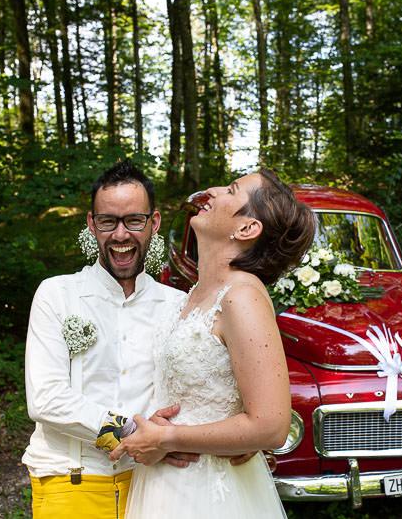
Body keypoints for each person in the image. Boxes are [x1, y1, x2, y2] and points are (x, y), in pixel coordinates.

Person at [111, 168, 317, 518]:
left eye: (231, 190)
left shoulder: (242, 297)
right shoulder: (194, 295)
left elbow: (271, 425)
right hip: (165, 487)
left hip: (209, 492)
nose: (213, 190)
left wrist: (167, 439)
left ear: (247, 228)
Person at [22, 161, 195, 518]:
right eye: (107, 221)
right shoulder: (57, 294)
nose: (120, 235)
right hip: (70, 480)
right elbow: (45, 399)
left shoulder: (177, 304)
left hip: (155, 483)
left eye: (134, 220)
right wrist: (133, 433)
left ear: (154, 223)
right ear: (91, 223)